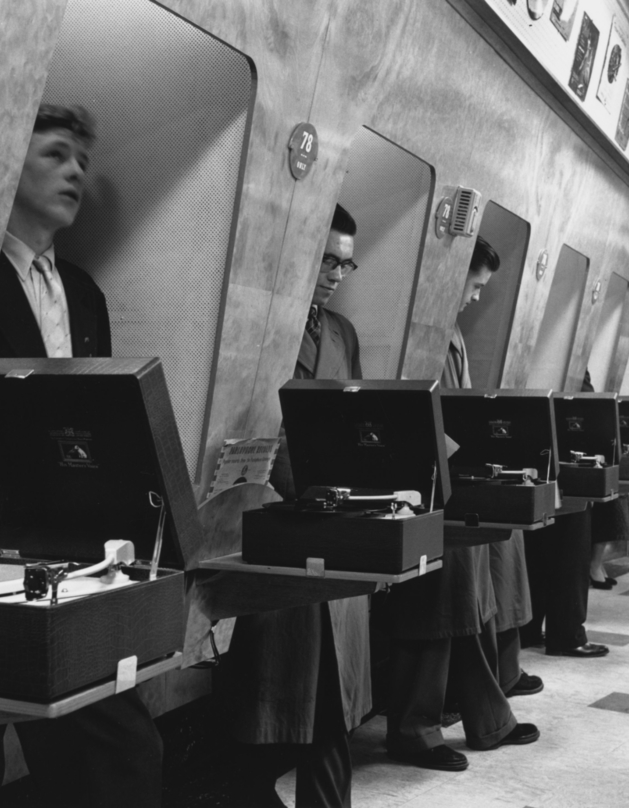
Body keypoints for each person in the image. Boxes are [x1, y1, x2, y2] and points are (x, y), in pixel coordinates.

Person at [0, 104, 163, 808]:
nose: (75, 172)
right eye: (55, 154)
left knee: (118, 754)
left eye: (82, 160)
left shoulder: (84, 294)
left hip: (65, 555)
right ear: (6, 162)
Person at [220, 204, 368, 808]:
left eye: (345, 263)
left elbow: (353, 421)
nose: (335, 274)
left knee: (329, 696)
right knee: (275, 689)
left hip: (335, 520)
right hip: (274, 520)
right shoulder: (260, 324)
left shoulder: (342, 334)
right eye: (326, 259)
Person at [384, 237, 539, 775]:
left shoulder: (450, 334)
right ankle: (415, 728)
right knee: (442, 603)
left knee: (467, 599)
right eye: (474, 286)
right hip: (425, 484)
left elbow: (461, 412)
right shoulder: (422, 331)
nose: (475, 298)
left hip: (449, 478)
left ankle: (485, 714)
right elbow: (418, 413)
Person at [520, 370, 609, 658]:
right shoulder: (571, 358)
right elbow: (587, 406)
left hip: (526, 453)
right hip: (564, 462)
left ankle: (528, 629)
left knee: (535, 548)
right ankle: (567, 635)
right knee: (572, 547)